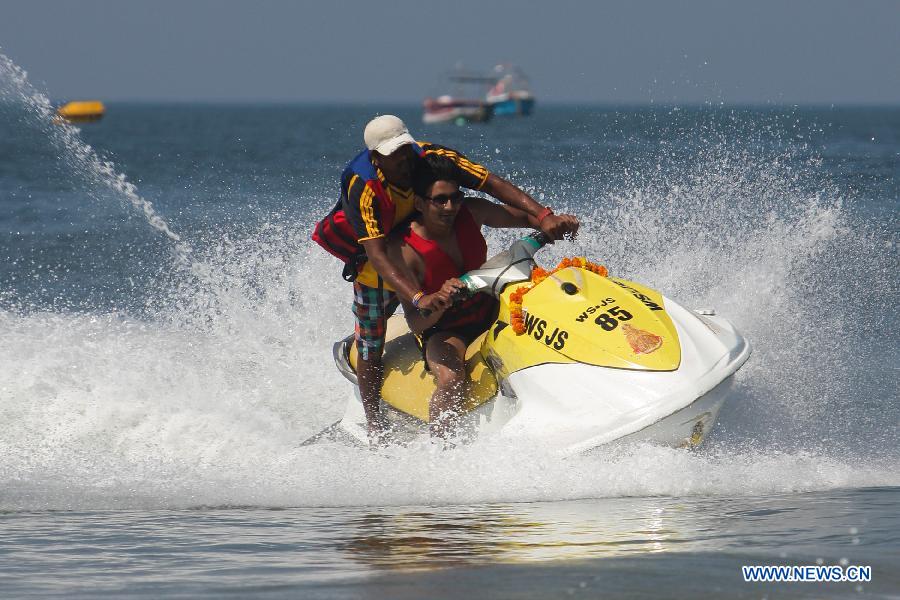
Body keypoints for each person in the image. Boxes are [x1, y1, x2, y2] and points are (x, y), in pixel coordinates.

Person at [313, 114, 579, 443]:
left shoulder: (434, 164)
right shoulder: (363, 185)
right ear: (376, 157)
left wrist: (544, 217)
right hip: (378, 261)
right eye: (394, 156)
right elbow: (380, 255)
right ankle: (374, 423)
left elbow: (491, 184)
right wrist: (418, 297)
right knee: (371, 339)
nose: (404, 160)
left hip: (427, 250)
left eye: (405, 150)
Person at [388, 154, 546, 437]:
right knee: (451, 379)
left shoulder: (472, 212)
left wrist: (549, 222)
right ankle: (441, 447)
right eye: (440, 200)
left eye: (455, 197)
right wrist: (438, 299)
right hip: (446, 329)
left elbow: (524, 218)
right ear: (421, 204)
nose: (450, 206)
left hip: (490, 306)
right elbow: (415, 321)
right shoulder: (404, 251)